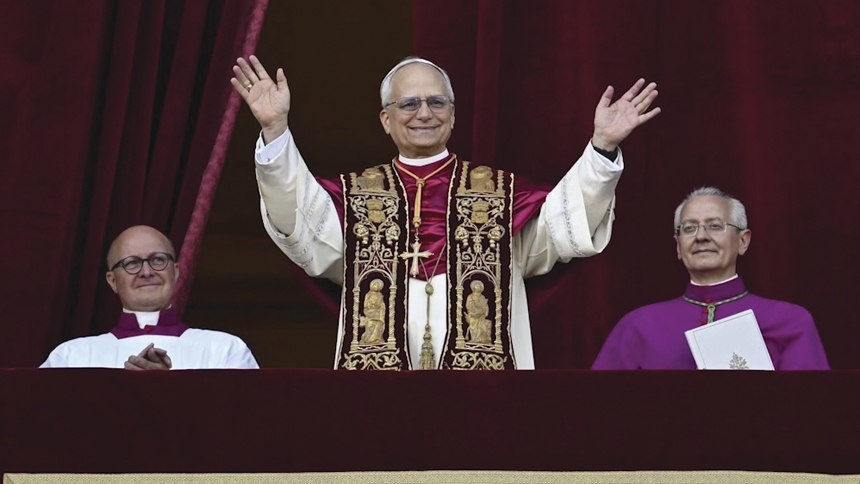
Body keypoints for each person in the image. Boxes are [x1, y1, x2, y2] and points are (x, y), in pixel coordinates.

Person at [231, 55, 660, 370]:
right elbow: (299, 224)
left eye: (437, 103)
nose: (424, 113)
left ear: (453, 116)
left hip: (485, 387)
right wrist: (275, 131)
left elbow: (564, 225)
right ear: (385, 118)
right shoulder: (354, 195)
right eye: (409, 103)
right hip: (376, 386)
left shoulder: (501, 194)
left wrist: (601, 147)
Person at [592, 187, 829, 370]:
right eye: (689, 228)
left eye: (715, 226)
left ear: (743, 241)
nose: (701, 237)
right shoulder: (638, 326)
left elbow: (810, 412)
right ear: (678, 246)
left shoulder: (790, 322)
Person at [41, 225, 259, 370]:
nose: (146, 272)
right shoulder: (71, 358)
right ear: (112, 281)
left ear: (175, 272)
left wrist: (170, 390)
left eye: (157, 260)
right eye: (132, 263)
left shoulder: (225, 351)